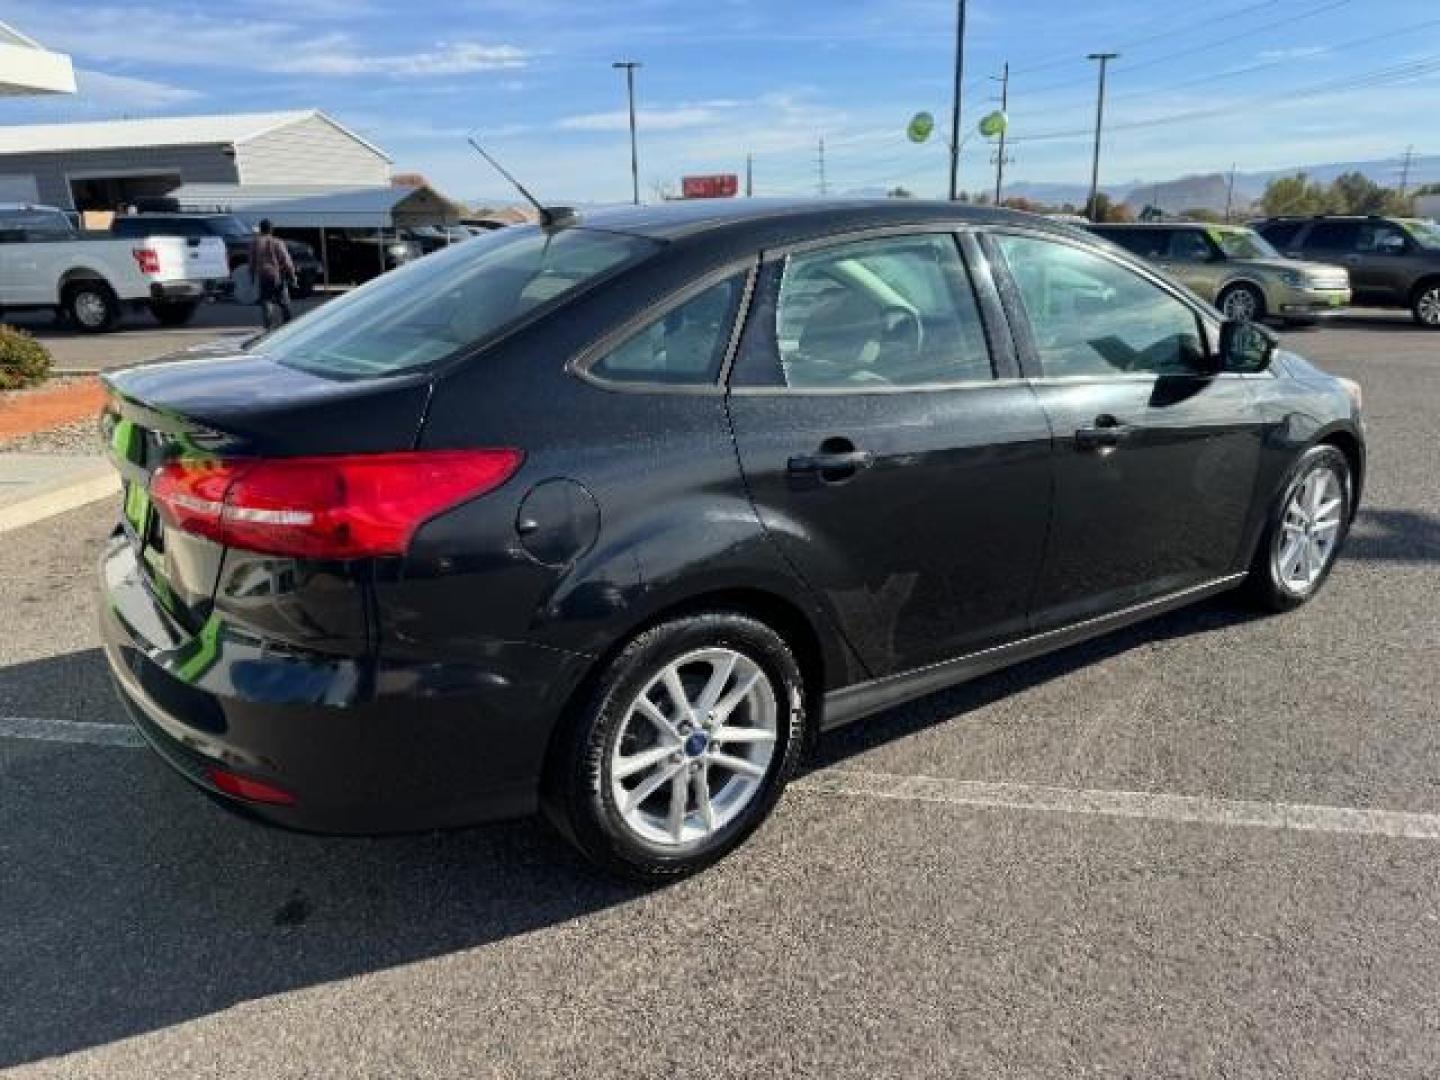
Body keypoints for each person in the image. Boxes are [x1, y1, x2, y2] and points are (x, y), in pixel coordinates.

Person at [249, 218, 297, 330]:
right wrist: (293, 277)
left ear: (261, 229)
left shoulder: (255, 242)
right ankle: (288, 325)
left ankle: (269, 326)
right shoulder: (278, 242)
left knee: (266, 300)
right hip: (277, 274)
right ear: (271, 229)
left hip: (263, 275)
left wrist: (251, 277)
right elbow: (286, 261)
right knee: (284, 301)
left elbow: (251, 262)